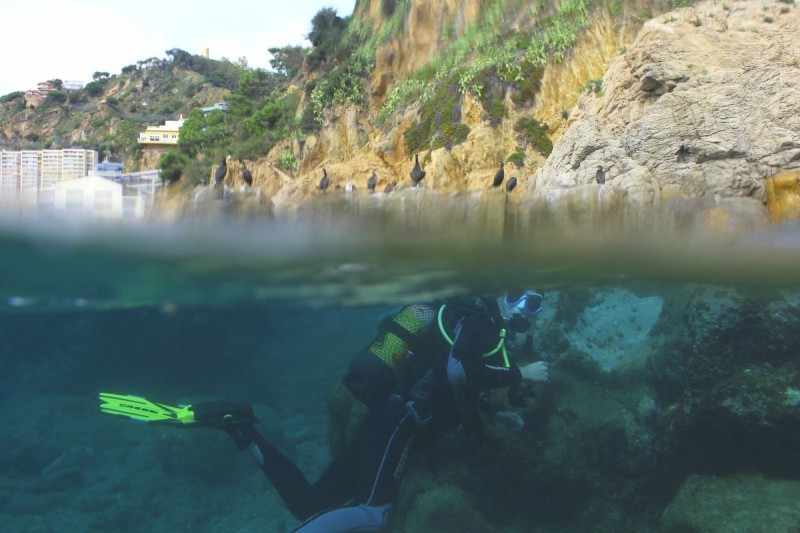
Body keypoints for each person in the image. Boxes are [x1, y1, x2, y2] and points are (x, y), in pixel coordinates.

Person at [99, 292, 549, 533]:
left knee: (311, 504)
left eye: (536, 303)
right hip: (400, 421)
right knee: (374, 514)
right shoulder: (480, 322)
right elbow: (455, 373)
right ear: (501, 294)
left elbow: (456, 385)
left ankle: (239, 425)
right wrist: (521, 375)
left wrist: (497, 414)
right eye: (520, 297)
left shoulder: (469, 324)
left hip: (386, 416)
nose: (525, 308)